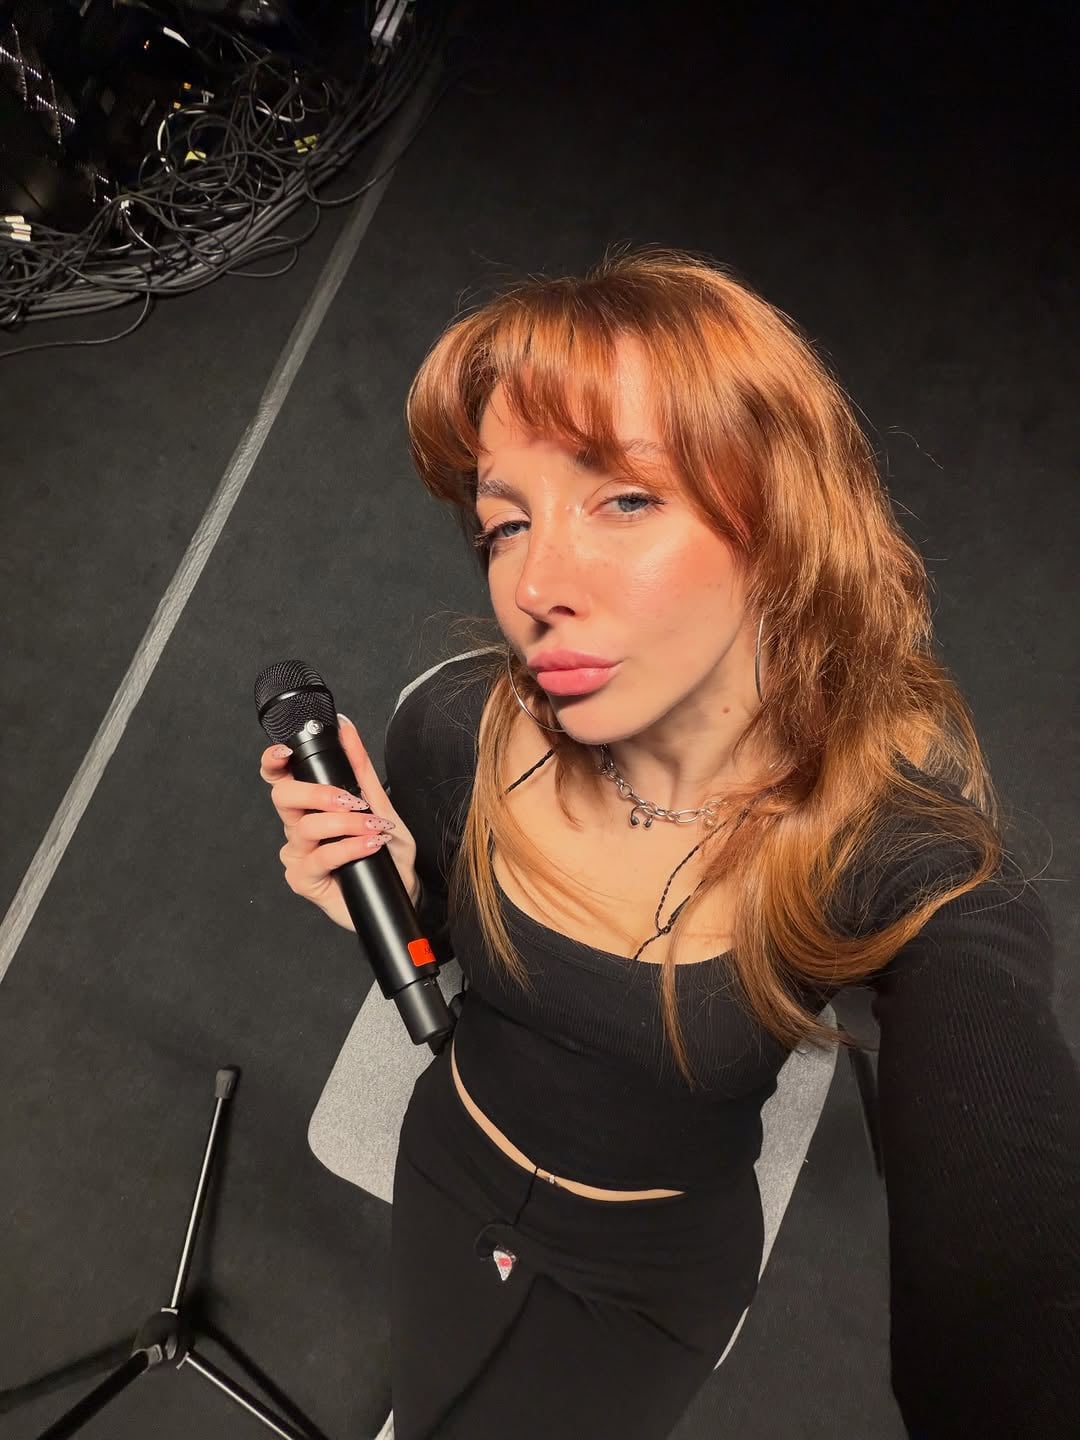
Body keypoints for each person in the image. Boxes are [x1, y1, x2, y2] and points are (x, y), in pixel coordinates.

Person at [260, 246, 1080, 1439]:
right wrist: (398, 899)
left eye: (626, 498)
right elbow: (442, 956)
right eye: (505, 524)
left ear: (784, 521)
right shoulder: (452, 726)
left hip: (652, 1268)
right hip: (448, 1156)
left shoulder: (900, 859)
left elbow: (1013, 1287)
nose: (535, 582)